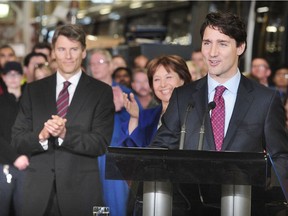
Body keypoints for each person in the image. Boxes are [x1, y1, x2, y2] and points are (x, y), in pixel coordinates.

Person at [150, 11, 288, 216]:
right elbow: (158, 152)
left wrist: (262, 187)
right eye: (207, 43)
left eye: (222, 43)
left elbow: (281, 158)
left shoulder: (265, 100)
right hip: (190, 208)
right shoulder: (183, 97)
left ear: (240, 47)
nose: (212, 52)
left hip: (246, 207)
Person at [11, 24, 114, 216]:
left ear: (84, 52)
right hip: (37, 197)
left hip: (82, 195)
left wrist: (65, 134)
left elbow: (100, 144)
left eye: (74, 49)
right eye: (62, 49)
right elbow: (17, 140)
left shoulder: (100, 92)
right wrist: (40, 136)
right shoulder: (34, 90)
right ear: (53, 53)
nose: (68, 56)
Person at [87, 48, 140, 216]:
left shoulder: (125, 94)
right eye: (92, 63)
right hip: (91, 155)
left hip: (116, 156)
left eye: (100, 62)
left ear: (110, 66)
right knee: (95, 205)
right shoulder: (84, 93)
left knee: (116, 205)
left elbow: (137, 126)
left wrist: (121, 109)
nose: (95, 67)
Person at [120, 55, 191, 147]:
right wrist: (134, 118)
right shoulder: (146, 116)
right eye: (157, 79)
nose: (163, 84)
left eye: (168, 77)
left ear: (182, 79)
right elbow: (134, 150)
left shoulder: (195, 114)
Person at [0, 61, 29, 216]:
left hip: (28, 164)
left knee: (25, 210)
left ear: (22, 77)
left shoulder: (30, 102)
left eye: (16, 74)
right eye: (9, 74)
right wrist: (15, 157)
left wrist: (26, 156)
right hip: (3, 164)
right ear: (3, 78)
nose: (13, 78)